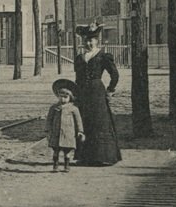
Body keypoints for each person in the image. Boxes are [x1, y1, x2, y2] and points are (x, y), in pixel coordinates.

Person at [73, 24, 122, 165]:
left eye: (91, 40)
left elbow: (115, 75)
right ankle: (84, 157)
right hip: (82, 93)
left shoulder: (103, 56)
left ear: (97, 40)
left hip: (97, 93)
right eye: (86, 40)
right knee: (84, 121)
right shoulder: (79, 58)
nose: (88, 43)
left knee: (99, 122)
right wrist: (76, 94)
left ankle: (103, 157)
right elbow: (77, 78)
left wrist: (110, 90)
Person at [47, 79, 85, 172]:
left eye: (65, 97)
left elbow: (78, 121)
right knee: (55, 151)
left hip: (68, 133)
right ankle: (55, 166)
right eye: (60, 96)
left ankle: (66, 165)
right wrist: (48, 130)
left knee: (67, 152)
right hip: (56, 133)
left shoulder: (74, 109)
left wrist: (80, 131)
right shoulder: (54, 108)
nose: (63, 99)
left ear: (70, 97)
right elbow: (49, 120)